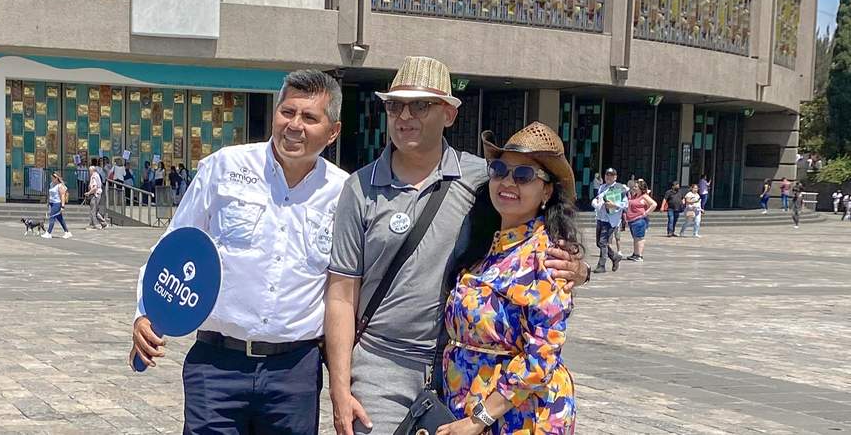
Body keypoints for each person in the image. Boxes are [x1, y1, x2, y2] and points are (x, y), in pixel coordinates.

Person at [325, 57, 587, 435]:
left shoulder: (481, 179)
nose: (405, 116)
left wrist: (577, 269)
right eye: (395, 105)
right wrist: (339, 389)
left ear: (449, 114)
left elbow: (537, 243)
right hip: (383, 364)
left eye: (420, 105)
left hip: (459, 377)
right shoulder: (359, 188)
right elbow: (340, 295)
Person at [131, 69, 348, 435]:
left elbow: (343, 287)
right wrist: (145, 314)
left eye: (309, 117)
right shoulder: (224, 167)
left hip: (293, 373)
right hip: (217, 366)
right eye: (287, 112)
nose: (294, 125)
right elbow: (173, 245)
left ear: (333, 132)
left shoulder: (343, 192)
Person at [435, 124, 579, 434]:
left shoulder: (547, 257)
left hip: (518, 416)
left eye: (524, 175)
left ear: (547, 191)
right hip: (469, 405)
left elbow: (541, 358)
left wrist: (479, 419)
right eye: (499, 170)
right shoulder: (485, 245)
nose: (508, 182)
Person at [591, 167, 626, 272]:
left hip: (610, 220)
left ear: (615, 177)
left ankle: (601, 265)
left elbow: (625, 204)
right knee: (599, 243)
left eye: (611, 175)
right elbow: (598, 198)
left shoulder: (619, 188)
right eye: (607, 175)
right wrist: (595, 202)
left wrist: (614, 205)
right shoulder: (602, 187)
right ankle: (615, 257)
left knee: (603, 242)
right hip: (600, 218)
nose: (608, 177)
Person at [624, 179, 656, 261]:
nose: (634, 188)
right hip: (632, 220)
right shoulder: (634, 196)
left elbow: (654, 204)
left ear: (640, 188)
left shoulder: (644, 196)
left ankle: (639, 255)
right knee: (635, 238)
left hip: (639, 220)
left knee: (639, 238)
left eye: (636, 187)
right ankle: (635, 253)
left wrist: (646, 213)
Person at [45, 171, 71, 239]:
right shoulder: (51, 184)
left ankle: (48, 233)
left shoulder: (60, 185)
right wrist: (48, 202)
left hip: (57, 203)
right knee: (60, 218)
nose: (52, 179)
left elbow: (62, 195)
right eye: (51, 178)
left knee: (52, 217)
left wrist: (62, 206)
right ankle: (67, 232)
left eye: (53, 178)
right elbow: (50, 194)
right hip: (52, 202)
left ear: (56, 178)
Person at [86, 162, 108, 229]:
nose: (89, 172)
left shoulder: (94, 176)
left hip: (95, 195)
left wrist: (88, 193)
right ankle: (103, 223)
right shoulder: (97, 175)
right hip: (98, 194)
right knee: (95, 211)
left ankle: (95, 225)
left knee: (93, 211)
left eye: (89, 171)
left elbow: (94, 187)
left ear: (92, 170)